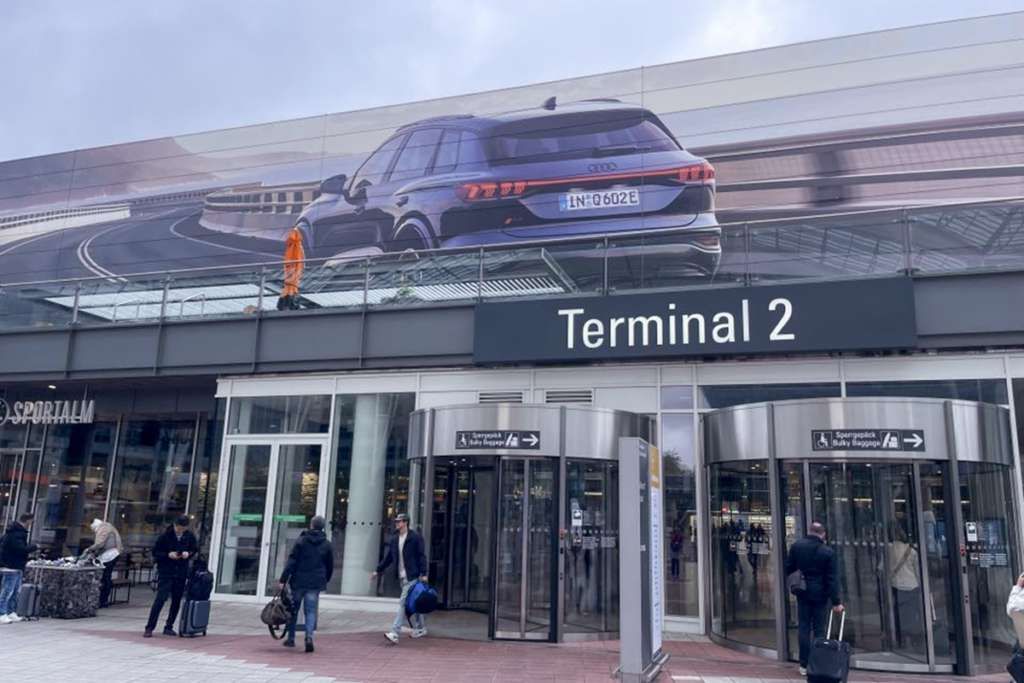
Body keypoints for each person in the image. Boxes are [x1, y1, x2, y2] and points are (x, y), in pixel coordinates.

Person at [785, 522, 843, 677]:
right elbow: (831, 579)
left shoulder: (797, 546)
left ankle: (803, 664)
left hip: (802, 592)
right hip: (820, 594)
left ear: (809, 531)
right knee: (819, 629)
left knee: (803, 627)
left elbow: (788, 567)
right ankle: (817, 663)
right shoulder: (827, 552)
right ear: (823, 534)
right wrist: (836, 602)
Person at [278, 515, 333, 653]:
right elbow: (330, 565)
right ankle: (309, 637)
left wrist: (283, 579)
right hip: (315, 582)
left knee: (293, 608)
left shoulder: (301, 541)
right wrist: (326, 578)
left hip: (299, 581)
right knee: (310, 610)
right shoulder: (326, 544)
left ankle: (291, 638)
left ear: (311, 525)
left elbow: (291, 561)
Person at [371, 513, 428, 644]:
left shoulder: (415, 537)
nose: (397, 523)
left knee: (403, 602)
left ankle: (395, 632)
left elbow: (421, 556)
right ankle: (421, 627)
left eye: (399, 521)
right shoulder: (394, 539)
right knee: (412, 603)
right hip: (401, 576)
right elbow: (388, 558)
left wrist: (424, 573)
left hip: (412, 576)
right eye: (396, 521)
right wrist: (377, 570)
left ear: (406, 523)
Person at [144, 515, 198, 637]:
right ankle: (149, 627)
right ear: (174, 525)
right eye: (178, 528)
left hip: (181, 571)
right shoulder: (165, 536)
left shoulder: (189, 536)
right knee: (160, 599)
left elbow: (194, 549)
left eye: (183, 529)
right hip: (166, 571)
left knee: (176, 599)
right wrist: (168, 555)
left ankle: (169, 626)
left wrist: (187, 553)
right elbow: (155, 552)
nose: (180, 531)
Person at [885, 521, 921, 650]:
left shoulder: (888, 549)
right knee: (912, 615)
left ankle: (901, 641)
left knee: (898, 615)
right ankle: (915, 639)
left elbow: (882, 568)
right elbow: (917, 571)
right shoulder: (911, 550)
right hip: (912, 585)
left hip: (896, 586)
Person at [0, 513, 37, 624]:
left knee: (15, 590)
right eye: (31, 521)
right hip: (11, 565)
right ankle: (2, 613)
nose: (31, 524)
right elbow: (20, 549)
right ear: (28, 520)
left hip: (15, 565)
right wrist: (34, 547)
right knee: (8, 590)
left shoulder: (13, 532)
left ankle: (10, 612)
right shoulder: (16, 534)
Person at [81, 518, 124, 608]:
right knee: (106, 577)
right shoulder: (107, 526)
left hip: (110, 555)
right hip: (113, 554)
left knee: (104, 577)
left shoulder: (103, 528)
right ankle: (104, 599)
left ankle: (103, 600)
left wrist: (89, 549)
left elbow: (100, 544)